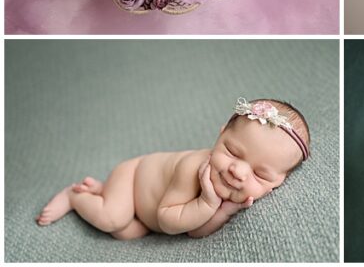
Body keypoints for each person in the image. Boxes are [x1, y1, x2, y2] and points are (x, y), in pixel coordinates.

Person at [36, 98, 309, 239]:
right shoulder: (193, 169)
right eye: (232, 151)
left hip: (145, 213)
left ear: (279, 181)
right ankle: (75, 197)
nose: (238, 171)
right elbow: (167, 221)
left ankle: (100, 191)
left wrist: (223, 211)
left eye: (260, 174)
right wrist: (206, 201)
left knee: (129, 233)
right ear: (220, 134)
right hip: (133, 178)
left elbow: (194, 231)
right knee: (113, 220)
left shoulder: (231, 188)